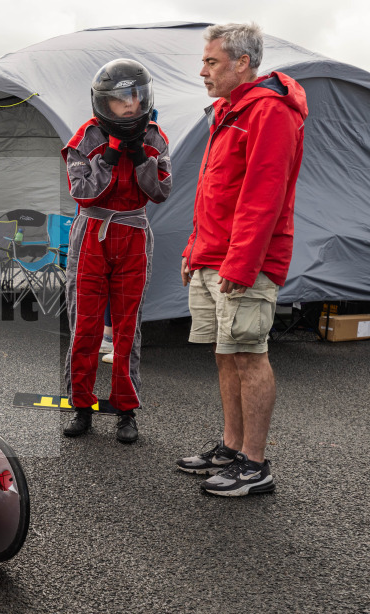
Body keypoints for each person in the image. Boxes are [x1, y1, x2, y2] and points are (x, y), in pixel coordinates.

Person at [177, 23, 308, 496]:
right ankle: (231, 449)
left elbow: (263, 197)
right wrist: (196, 247)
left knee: (250, 355)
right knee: (225, 353)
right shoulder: (229, 111)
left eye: (212, 62)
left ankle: (255, 465)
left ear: (241, 63)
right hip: (213, 254)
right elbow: (213, 191)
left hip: (244, 263)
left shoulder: (269, 112)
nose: (203, 71)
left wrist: (240, 263)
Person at [61, 58, 172, 444]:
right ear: (104, 102)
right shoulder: (84, 140)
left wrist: (142, 158)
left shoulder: (155, 137)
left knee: (127, 328)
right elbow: (82, 192)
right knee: (85, 327)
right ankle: (81, 406)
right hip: (92, 233)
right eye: (122, 97)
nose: (131, 103)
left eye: (137, 94)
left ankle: (126, 411)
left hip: (134, 235)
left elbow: (160, 192)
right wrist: (108, 158)